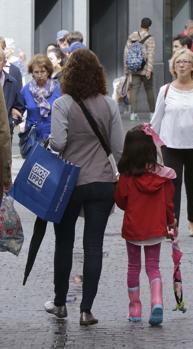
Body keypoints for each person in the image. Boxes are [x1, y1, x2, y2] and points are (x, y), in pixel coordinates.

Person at [45, 48, 124, 326]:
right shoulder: (109, 104)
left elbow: (57, 144)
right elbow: (118, 148)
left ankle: (59, 303)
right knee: (93, 246)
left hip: (70, 183)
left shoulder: (62, 104)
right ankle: (86, 310)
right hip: (102, 182)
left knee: (64, 243)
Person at [115, 124, 176, 326]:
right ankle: (157, 302)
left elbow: (121, 201)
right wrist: (171, 223)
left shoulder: (126, 177)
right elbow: (169, 204)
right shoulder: (163, 177)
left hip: (133, 227)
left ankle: (135, 309)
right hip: (155, 228)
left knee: (133, 267)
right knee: (153, 267)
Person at [151, 49, 193, 237]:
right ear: (173, 67)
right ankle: (171, 222)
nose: (182, 65)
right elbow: (157, 119)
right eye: (178, 62)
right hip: (171, 144)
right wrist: (152, 142)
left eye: (185, 61)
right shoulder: (165, 90)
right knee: (172, 185)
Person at [20, 54, 61, 144]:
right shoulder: (26, 90)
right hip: (32, 138)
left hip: (53, 138)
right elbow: (19, 110)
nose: (39, 75)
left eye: (42, 71)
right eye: (36, 72)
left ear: (48, 72)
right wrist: (19, 122)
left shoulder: (58, 89)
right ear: (32, 73)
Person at [125, 17, 156, 118]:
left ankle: (133, 114)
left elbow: (126, 53)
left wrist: (126, 69)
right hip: (145, 69)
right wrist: (149, 70)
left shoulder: (132, 36)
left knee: (134, 90)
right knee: (149, 90)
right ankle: (152, 113)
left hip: (134, 68)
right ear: (149, 27)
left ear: (140, 24)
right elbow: (151, 55)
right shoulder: (150, 38)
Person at [0, 49, 24, 135]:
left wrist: (12, 122)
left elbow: (19, 106)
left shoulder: (12, 82)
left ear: (4, 62)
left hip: (5, 132)